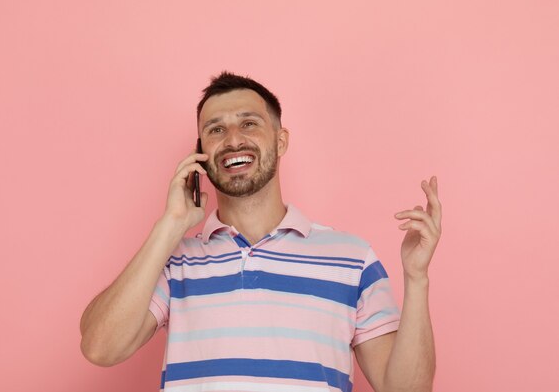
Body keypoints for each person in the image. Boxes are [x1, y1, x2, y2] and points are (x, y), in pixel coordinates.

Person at [80, 72, 441, 392]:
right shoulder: (175, 261)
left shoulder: (351, 258)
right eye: (216, 129)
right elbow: (100, 348)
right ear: (201, 154)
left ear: (280, 141)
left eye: (249, 123)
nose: (233, 140)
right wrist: (170, 225)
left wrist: (417, 277)